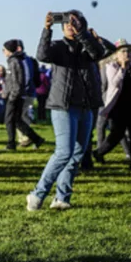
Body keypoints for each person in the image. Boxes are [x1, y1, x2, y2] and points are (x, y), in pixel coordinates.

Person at [27, 11, 105, 211]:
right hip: (63, 105)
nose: (69, 25)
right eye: (66, 22)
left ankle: (62, 197)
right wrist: (46, 29)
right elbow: (42, 55)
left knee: (77, 153)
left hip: (85, 106)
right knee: (64, 152)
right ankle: (37, 194)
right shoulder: (58, 46)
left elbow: (98, 54)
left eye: (74, 22)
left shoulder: (88, 45)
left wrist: (82, 34)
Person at [93, 39, 131, 170]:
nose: (126, 54)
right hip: (118, 106)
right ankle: (98, 153)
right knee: (117, 134)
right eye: (123, 51)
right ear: (117, 54)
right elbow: (114, 83)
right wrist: (122, 67)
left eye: (128, 51)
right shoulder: (111, 66)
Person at [2, 40, 44, 151]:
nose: (3, 52)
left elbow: (16, 80)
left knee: (9, 120)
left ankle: (11, 144)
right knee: (17, 120)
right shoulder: (23, 60)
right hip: (21, 94)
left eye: (4, 49)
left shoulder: (14, 61)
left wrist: (11, 95)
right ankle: (37, 139)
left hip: (15, 95)